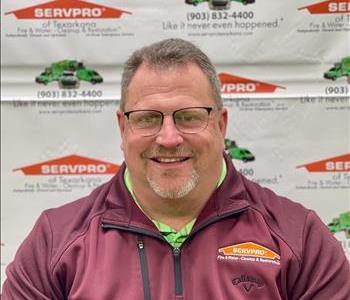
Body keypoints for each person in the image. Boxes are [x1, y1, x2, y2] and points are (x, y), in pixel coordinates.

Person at [2, 38, 349, 300]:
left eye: (189, 116)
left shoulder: (299, 239)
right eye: (148, 118)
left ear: (221, 125)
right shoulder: (56, 241)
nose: (169, 138)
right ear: (123, 129)